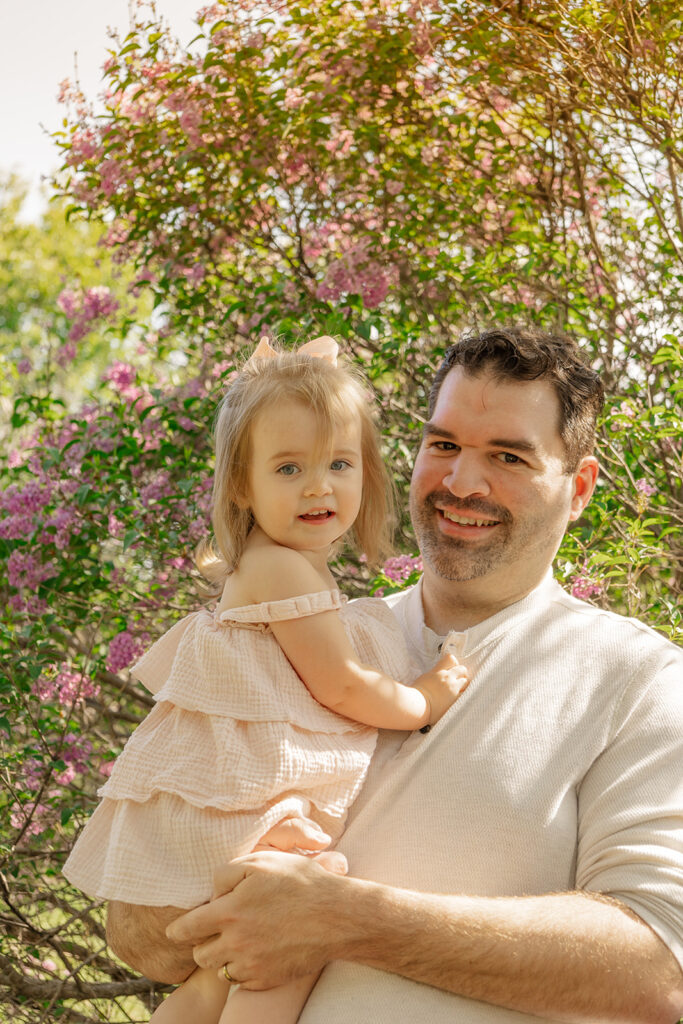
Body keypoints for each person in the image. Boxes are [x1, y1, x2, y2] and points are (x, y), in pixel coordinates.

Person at [106, 326, 683, 1023]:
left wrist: (346, 920)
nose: (461, 483)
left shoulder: (639, 681)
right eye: (443, 446)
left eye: (506, 456)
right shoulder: (293, 642)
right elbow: (139, 936)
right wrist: (196, 891)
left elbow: (658, 973)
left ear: (579, 487)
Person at [63, 335, 469, 1024]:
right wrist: (430, 693)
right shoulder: (279, 567)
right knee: (281, 961)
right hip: (241, 822)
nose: (319, 485)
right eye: (288, 468)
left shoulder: (283, 564)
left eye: (338, 463)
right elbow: (340, 687)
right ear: (242, 487)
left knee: (217, 983)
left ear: (365, 473)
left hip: (239, 816)